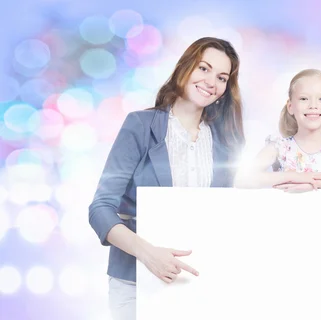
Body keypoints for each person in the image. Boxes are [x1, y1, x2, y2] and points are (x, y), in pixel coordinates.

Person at [88, 37, 245, 320]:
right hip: (135, 282)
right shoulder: (140, 125)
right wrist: (148, 254)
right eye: (204, 68)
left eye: (222, 77)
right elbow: (100, 210)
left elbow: (224, 216)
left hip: (199, 286)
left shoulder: (226, 143)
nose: (211, 81)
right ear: (184, 68)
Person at [234, 68, 321, 192]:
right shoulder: (280, 147)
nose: (313, 105)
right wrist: (295, 177)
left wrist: (313, 182)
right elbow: (243, 179)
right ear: (291, 106)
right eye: (304, 98)